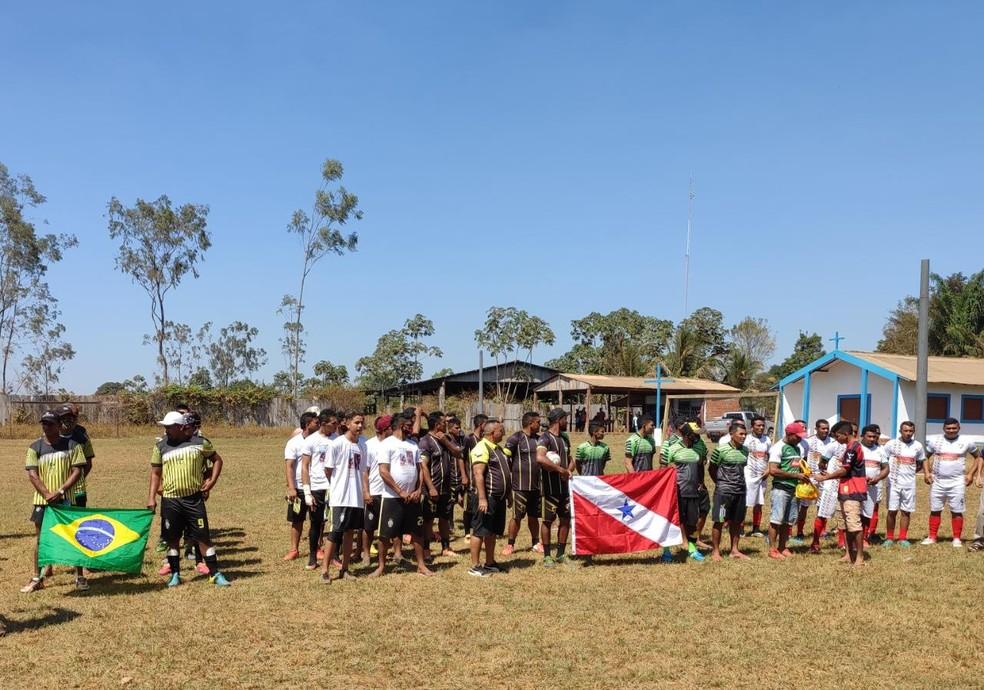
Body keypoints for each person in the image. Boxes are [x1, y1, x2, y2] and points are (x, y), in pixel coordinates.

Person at [147, 411, 230, 587]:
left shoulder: (200, 443)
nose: (166, 430)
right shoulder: (160, 446)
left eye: (169, 427)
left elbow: (217, 460)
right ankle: (175, 574)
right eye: (165, 427)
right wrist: (151, 498)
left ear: (181, 427)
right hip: (170, 500)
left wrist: (212, 481)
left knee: (203, 538)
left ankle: (215, 573)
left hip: (194, 499)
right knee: (172, 539)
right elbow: (155, 474)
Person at [21, 411, 88, 593]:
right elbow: (32, 474)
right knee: (40, 539)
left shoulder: (73, 445)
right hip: (42, 501)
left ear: (59, 426)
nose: (46, 427)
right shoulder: (35, 447)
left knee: (74, 537)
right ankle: (37, 577)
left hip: (67, 499)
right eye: (44, 423)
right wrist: (47, 494)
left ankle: (79, 576)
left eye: (50, 424)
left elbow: (77, 471)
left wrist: (60, 491)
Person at [372, 414, 433, 577]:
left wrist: (419, 489)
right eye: (409, 425)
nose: (412, 428)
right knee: (385, 535)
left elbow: (420, 469)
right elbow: (383, 471)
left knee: (417, 533)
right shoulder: (387, 444)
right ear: (400, 426)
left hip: (413, 498)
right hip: (392, 498)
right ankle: (381, 566)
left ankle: (421, 565)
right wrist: (400, 491)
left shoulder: (413, 445)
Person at [321, 411, 368, 583]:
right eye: (356, 422)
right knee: (335, 532)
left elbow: (363, 471)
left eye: (362, 422)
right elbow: (328, 470)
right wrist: (337, 486)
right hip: (340, 497)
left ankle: (345, 568)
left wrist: (364, 492)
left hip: (356, 498)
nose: (360, 426)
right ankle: (325, 570)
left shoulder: (363, 445)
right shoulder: (337, 444)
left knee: (350, 533)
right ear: (347, 424)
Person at [921, 417, 981, 547]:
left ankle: (957, 539)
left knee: (957, 510)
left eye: (954, 428)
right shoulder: (934, 441)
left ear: (959, 428)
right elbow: (925, 456)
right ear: (944, 429)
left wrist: (971, 474)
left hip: (957, 481)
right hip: (937, 481)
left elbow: (978, 457)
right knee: (935, 509)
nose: (951, 431)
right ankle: (932, 537)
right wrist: (926, 472)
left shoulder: (967, 442)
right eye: (948, 428)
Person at [815, 421, 867, 567]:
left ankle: (860, 557)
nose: (836, 439)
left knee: (854, 524)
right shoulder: (848, 447)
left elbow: (845, 470)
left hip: (853, 490)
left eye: (837, 436)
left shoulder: (853, 447)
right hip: (844, 489)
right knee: (844, 523)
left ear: (845, 434)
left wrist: (825, 477)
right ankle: (848, 554)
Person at [468, 418, 511, 576]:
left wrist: (509, 495)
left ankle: (490, 562)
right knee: (480, 530)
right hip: (487, 498)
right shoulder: (482, 447)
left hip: (499, 498)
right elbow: (478, 473)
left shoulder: (498, 448)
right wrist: (482, 498)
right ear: (493, 433)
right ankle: (475, 565)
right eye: (501, 430)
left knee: (492, 531)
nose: (504, 433)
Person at [418, 411, 462, 559]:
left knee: (444, 518)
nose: (447, 424)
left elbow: (458, 453)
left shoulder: (447, 438)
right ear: (437, 425)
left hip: (446, 489)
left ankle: (446, 547)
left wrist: (445, 442)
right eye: (444, 422)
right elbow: (423, 466)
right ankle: (426, 550)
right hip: (431, 490)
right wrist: (430, 488)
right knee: (428, 520)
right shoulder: (425, 441)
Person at [661, 422, 705, 561]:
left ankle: (692, 549)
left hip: (693, 492)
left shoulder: (698, 449)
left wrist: (700, 483)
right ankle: (666, 551)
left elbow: (700, 467)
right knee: (672, 521)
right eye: (695, 434)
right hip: (677, 491)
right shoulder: (672, 448)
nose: (697, 437)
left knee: (692, 522)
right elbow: (663, 468)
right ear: (687, 435)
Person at [299, 409, 337, 570]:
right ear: (323, 423)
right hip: (317, 487)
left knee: (336, 523)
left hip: (335, 487)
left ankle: (335, 555)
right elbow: (305, 467)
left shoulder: (338, 439)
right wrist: (307, 492)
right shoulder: (311, 441)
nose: (336, 426)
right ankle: (313, 555)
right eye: (333, 423)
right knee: (316, 523)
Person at [536, 407, 574, 567]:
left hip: (564, 489)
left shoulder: (564, 438)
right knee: (547, 521)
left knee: (565, 520)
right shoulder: (545, 438)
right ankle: (547, 556)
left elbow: (570, 459)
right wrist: (560, 470)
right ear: (558, 420)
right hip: (549, 489)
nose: (567, 421)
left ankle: (560, 554)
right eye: (565, 418)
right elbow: (539, 458)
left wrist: (569, 470)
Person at [766, 422, 810, 560]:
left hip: (794, 489)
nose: (800, 439)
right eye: (797, 436)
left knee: (788, 521)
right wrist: (795, 476)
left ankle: (782, 547)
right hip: (781, 489)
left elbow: (796, 466)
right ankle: (772, 549)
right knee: (776, 520)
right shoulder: (778, 448)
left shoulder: (797, 448)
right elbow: (773, 470)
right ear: (789, 434)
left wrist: (804, 473)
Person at [502, 411, 542, 556]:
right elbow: (505, 458)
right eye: (538, 422)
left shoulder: (540, 440)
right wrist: (511, 476)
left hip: (537, 486)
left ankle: (536, 543)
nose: (540, 424)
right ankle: (510, 545)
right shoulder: (515, 438)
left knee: (534, 516)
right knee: (517, 517)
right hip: (520, 486)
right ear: (531, 423)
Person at [709, 422, 749, 561]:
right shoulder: (720, 450)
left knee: (737, 522)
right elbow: (712, 469)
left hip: (740, 491)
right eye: (741, 434)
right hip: (724, 493)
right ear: (731, 434)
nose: (744, 437)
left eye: (745, 434)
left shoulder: (745, 451)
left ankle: (734, 550)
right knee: (719, 520)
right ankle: (715, 551)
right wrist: (720, 483)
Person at [283, 411, 320, 560]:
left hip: (316, 486)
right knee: (297, 519)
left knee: (317, 519)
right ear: (307, 425)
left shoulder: (320, 440)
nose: (318, 425)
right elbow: (289, 466)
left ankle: (317, 548)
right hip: (298, 487)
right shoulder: (294, 443)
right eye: (315, 423)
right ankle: (294, 549)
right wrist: (291, 487)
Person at [881, 421, 925, 547]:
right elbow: (883, 459)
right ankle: (889, 538)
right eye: (905, 431)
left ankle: (902, 538)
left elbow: (920, 462)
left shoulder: (918, 446)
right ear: (900, 431)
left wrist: (911, 473)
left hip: (909, 484)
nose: (908, 433)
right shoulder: (891, 444)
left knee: (906, 511)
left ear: (914, 432)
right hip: (893, 482)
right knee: (892, 511)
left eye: (910, 431)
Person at [795, 419, 835, 545]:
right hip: (810, 478)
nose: (826, 431)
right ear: (816, 428)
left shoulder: (832, 442)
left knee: (822, 505)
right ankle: (800, 532)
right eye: (823, 428)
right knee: (804, 506)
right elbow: (803, 458)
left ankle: (822, 530)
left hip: (825, 478)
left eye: (827, 428)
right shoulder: (808, 442)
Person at [362, 415, 391, 563]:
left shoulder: (393, 444)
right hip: (374, 491)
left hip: (390, 492)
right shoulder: (369, 445)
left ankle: (387, 554)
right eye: (391, 427)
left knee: (387, 526)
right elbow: (364, 471)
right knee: (369, 526)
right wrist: (366, 492)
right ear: (384, 429)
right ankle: (365, 552)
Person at [54, 404, 94, 508]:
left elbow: (88, 463)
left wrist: (76, 480)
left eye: (75, 416)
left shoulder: (82, 435)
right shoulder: (50, 435)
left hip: (77, 491)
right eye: (65, 417)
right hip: (54, 488)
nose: (71, 419)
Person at [742, 416, 772, 537]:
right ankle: (740, 528)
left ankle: (756, 529)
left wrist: (768, 470)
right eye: (758, 425)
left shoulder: (767, 440)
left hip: (762, 476)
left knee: (759, 502)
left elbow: (770, 457)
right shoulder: (746, 439)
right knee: (744, 502)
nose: (761, 427)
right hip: (749, 474)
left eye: (762, 425)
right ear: (752, 427)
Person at [859, 424, 889, 544]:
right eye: (869, 436)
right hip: (857, 485)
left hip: (873, 485)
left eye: (874, 436)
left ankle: (865, 538)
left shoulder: (880, 450)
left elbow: (886, 468)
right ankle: (852, 539)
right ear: (862, 436)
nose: (872, 439)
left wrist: (877, 478)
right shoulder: (857, 448)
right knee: (855, 512)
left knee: (868, 512)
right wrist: (861, 477)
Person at [461, 415, 487, 540]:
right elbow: (461, 457)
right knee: (469, 507)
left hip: (481, 479)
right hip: (471, 479)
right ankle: (467, 532)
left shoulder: (484, 440)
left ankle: (480, 528)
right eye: (486, 424)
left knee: (479, 505)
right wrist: (464, 475)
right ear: (481, 424)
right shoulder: (469, 439)